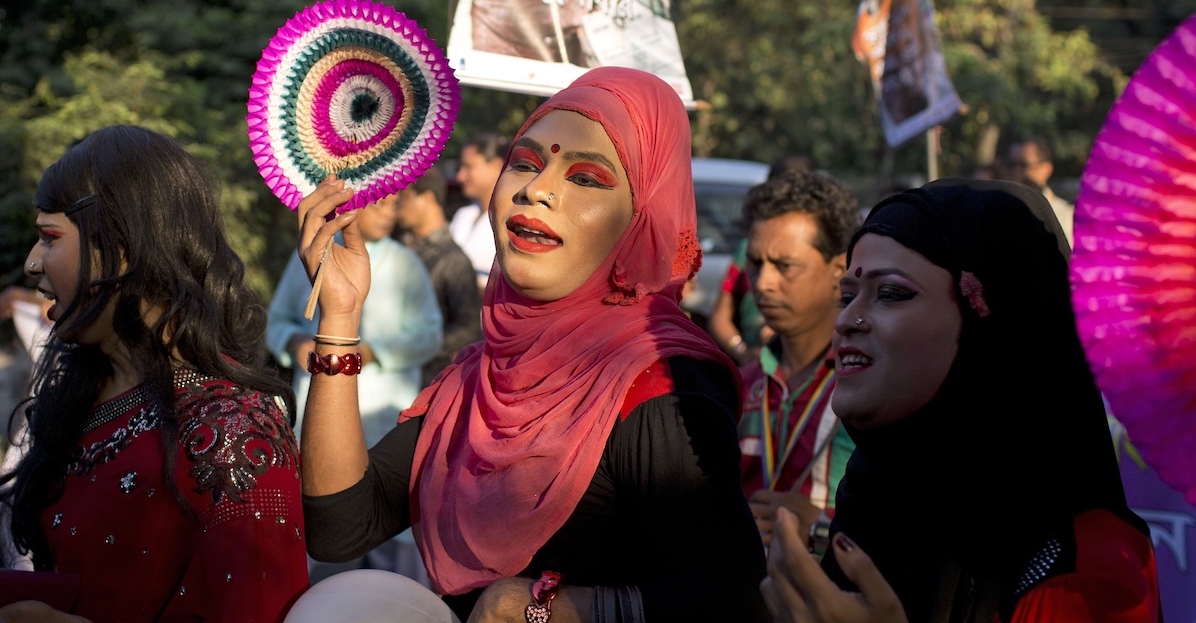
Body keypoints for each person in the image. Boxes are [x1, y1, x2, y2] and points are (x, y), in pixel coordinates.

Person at [296, 66, 771, 622]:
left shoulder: (659, 384)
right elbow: (338, 526)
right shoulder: (477, 380)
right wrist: (341, 318)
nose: (536, 189)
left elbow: (732, 598)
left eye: (587, 179)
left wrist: (548, 608)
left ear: (643, 220)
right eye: (523, 163)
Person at [760, 178, 1161, 623]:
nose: (848, 321)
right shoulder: (875, 504)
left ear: (989, 328)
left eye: (891, 293)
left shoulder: (1093, 569)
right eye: (847, 295)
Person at [0, 125, 309, 622]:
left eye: (49, 238)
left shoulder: (233, 431)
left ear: (121, 246)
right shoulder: (81, 395)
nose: (33, 263)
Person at [737, 170, 860, 549]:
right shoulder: (742, 385)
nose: (762, 283)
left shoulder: (873, 386)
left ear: (838, 270)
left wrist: (821, 527)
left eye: (784, 265)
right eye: (756, 263)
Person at [266, 193, 443, 443]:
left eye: (394, 206)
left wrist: (373, 353)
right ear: (353, 204)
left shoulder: (406, 262)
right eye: (381, 204)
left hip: (382, 411)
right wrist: (295, 342)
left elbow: (430, 335)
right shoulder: (312, 254)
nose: (389, 214)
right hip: (315, 397)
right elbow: (276, 320)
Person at [708, 155, 811, 366]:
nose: (763, 283)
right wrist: (742, 350)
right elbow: (720, 317)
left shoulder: (817, 253)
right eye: (757, 264)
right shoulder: (748, 249)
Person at [393, 164, 483, 388]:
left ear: (428, 198)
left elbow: (469, 328)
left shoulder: (453, 259)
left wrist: (418, 345)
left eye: (404, 198)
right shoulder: (398, 246)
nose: (397, 208)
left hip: (424, 380)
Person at [450, 132, 507, 295]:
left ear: (496, 166)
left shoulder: (510, 220)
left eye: (468, 167)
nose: (460, 176)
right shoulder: (463, 214)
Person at [1006, 139, 1074, 248]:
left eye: (1024, 165)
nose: (1016, 172)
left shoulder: (1065, 216)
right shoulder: (999, 209)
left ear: (1046, 169)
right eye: (1012, 165)